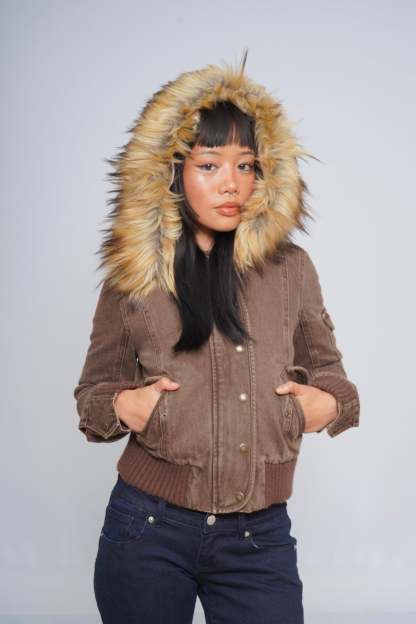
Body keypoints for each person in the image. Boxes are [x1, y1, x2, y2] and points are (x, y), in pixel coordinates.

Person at [73, 50, 360, 624]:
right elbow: (92, 397)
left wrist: (327, 404)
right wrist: (125, 405)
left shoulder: (291, 269)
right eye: (209, 165)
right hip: (147, 529)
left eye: (246, 165)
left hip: (259, 537)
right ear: (171, 171)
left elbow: (332, 376)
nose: (232, 183)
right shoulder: (133, 274)